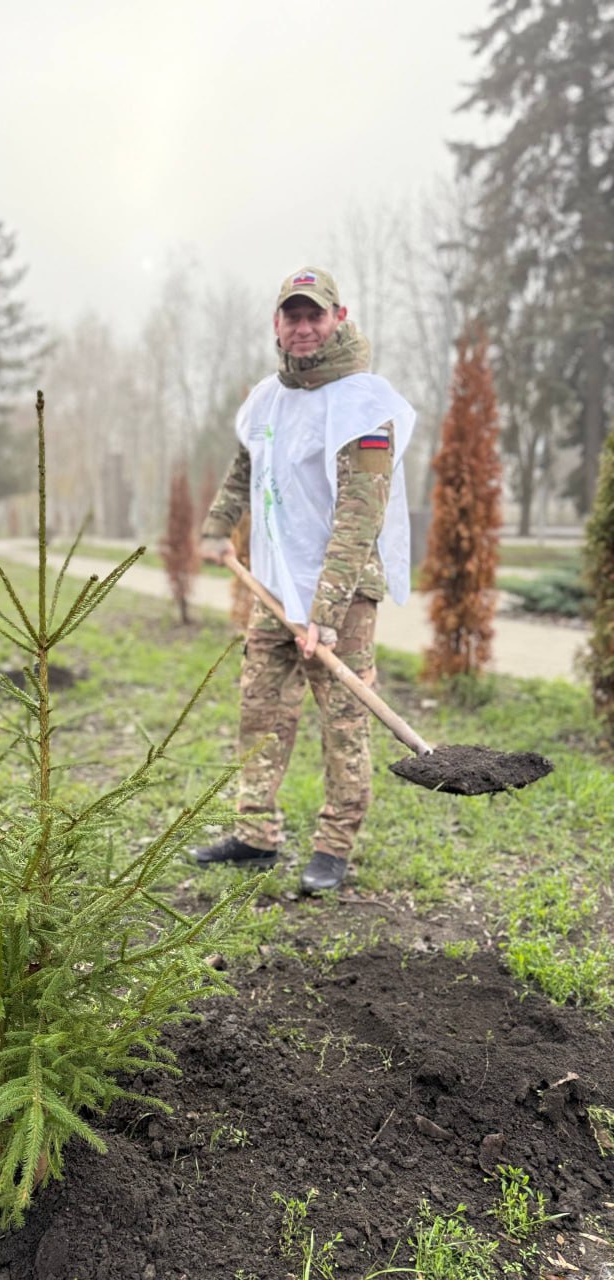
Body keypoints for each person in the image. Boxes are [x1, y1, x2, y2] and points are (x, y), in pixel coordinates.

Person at [194, 267, 415, 893]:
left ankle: (334, 845)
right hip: (273, 585)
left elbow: (360, 515)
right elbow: (244, 466)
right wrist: (217, 526)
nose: (303, 326)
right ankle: (256, 833)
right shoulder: (267, 397)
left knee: (342, 719)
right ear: (277, 324)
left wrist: (324, 608)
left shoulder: (364, 404)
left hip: (340, 592)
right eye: (292, 315)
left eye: (315, 314)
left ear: (338, 318)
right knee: (260, 708)